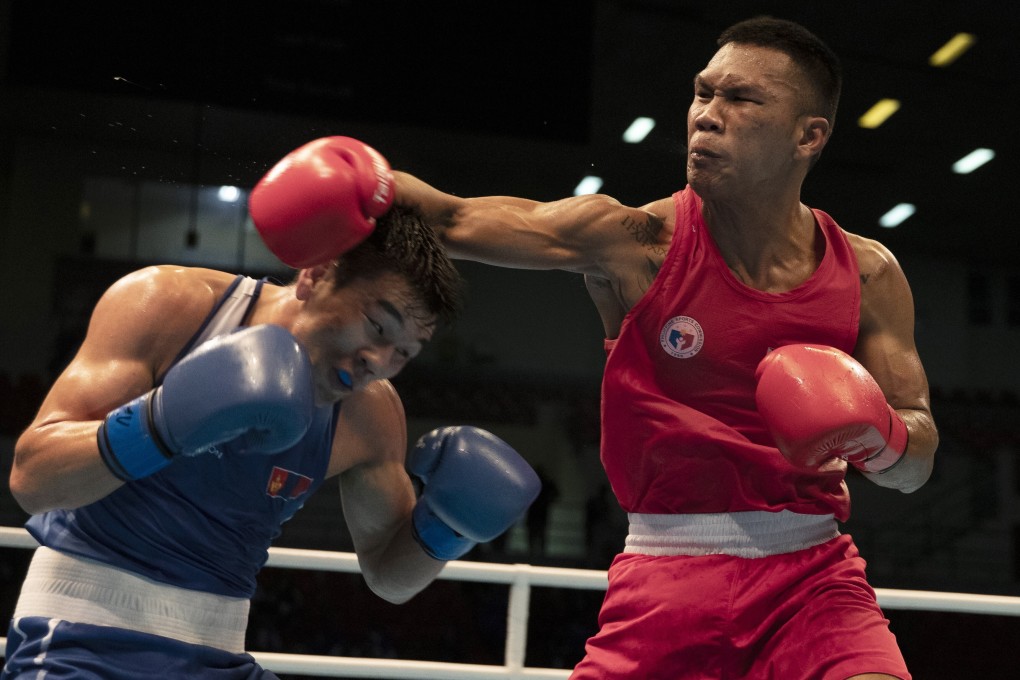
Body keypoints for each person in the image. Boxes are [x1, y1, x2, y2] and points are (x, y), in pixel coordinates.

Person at [259, 16, 940, 679]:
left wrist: (880, 435)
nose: (707, 113)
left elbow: (916, 459)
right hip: (665, 580)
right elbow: (455, 217)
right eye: (703, 92)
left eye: (741, 98)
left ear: (808, 135)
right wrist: (353, 174)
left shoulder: (868, 274)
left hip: (814, 584)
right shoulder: (635, 242)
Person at [2, 137, 542, 679]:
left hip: (219, 656)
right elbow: (33, 479)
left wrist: (448, 528)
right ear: (315, 272)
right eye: (377, 326)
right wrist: (162, 422)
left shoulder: (370, 415)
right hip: (79, 637)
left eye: (403, 353)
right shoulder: (170, 306)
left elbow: (390, 576)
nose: (376, 360)